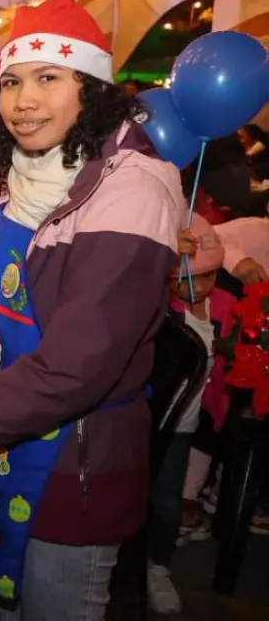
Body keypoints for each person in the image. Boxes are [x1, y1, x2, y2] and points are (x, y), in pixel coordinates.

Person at [0, 0, 183, 619]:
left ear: (92, 87)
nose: (22, 100)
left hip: (69, 474)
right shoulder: (21, 174)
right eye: (10, 82)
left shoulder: (134, 189)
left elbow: (74, 368)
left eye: (48, 78)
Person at [147, 214, 235, 614]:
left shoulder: (229, 309)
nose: (200, 287)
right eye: (187, 278)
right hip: (144, 422)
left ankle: (156, 567)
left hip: (184, 428)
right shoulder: (156, 311)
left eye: (209, 276)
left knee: (167, 504)